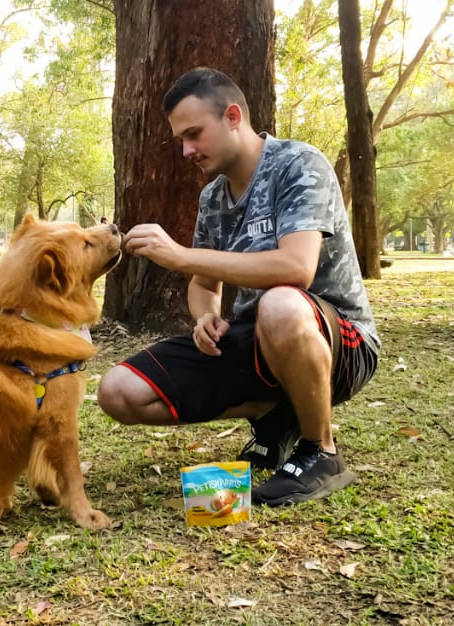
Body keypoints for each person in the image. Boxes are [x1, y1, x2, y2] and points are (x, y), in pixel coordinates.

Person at [97, 67, 380, 507]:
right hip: (256, 340)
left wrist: (179, 254)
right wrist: (205, 315)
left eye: (194, 134)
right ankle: (276, 414)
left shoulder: (299, 165)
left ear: (232, 116)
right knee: (118, 391)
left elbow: (296, 268)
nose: (187, 150)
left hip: (338, 341)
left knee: (281, 303)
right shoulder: (212, 198)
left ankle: (320, 452)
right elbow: (203, 284)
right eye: (181, 141)